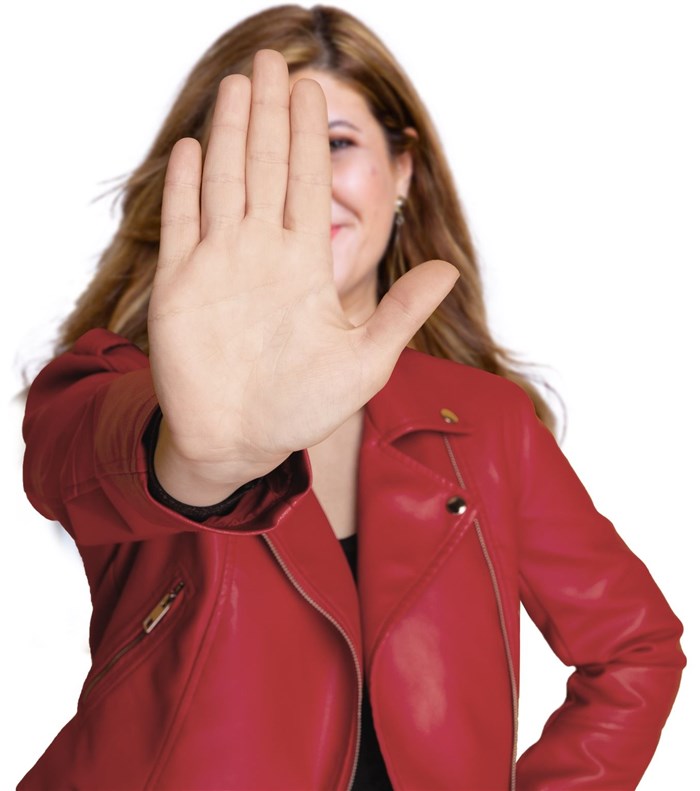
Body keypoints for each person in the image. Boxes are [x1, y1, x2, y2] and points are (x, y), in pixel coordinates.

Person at [19, 4, 684, 790]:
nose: (304, 187)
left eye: (335, 144)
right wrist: (195, 459)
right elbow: (73, 465)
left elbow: (635, 648)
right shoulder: (114, 387)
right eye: (268, 151)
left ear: (403, 170)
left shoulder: (489, 424)